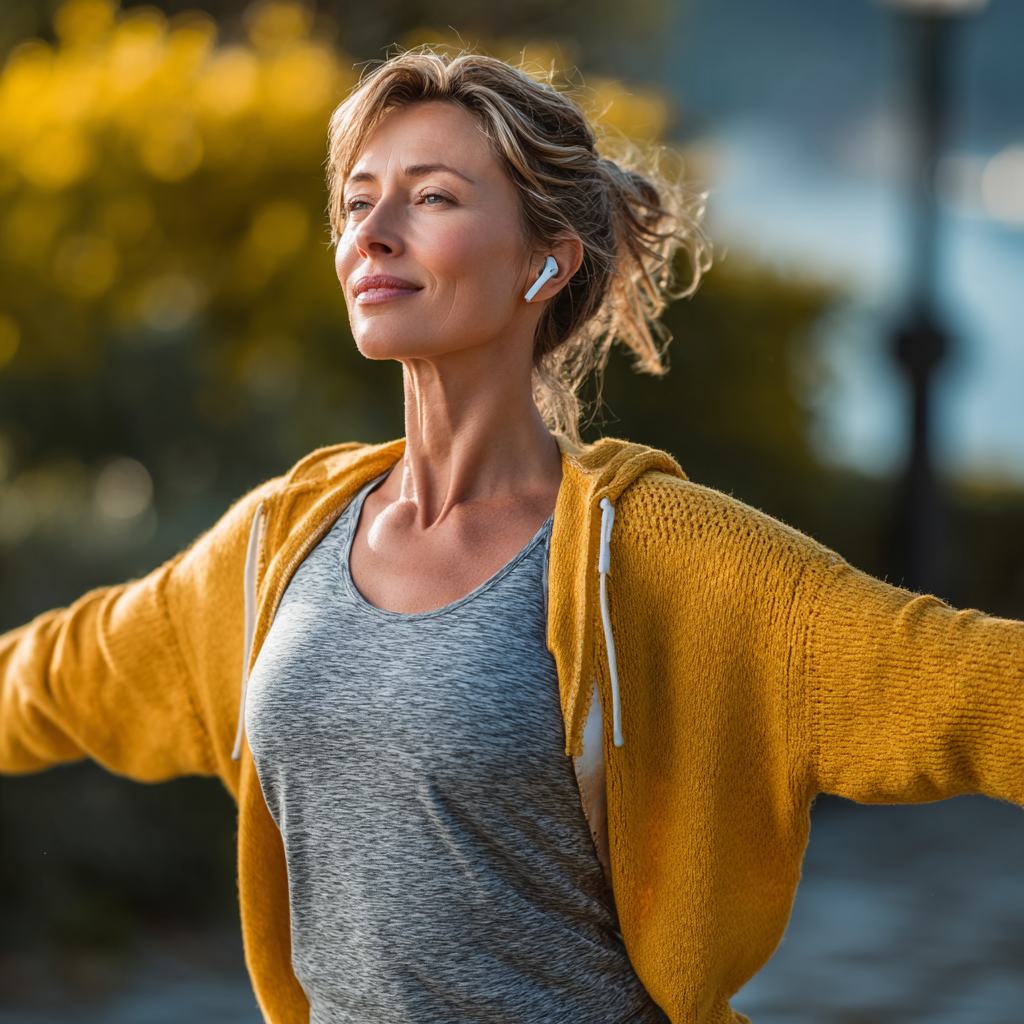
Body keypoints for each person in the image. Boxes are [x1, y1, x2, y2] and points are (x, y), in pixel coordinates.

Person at [1, 49, 1023, 1024]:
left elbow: (962, 683)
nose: (373, 232)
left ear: (546, 261)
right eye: (358, 202)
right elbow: (62, 674)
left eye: (432, 197)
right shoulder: (280, 542)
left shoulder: (666, 558)